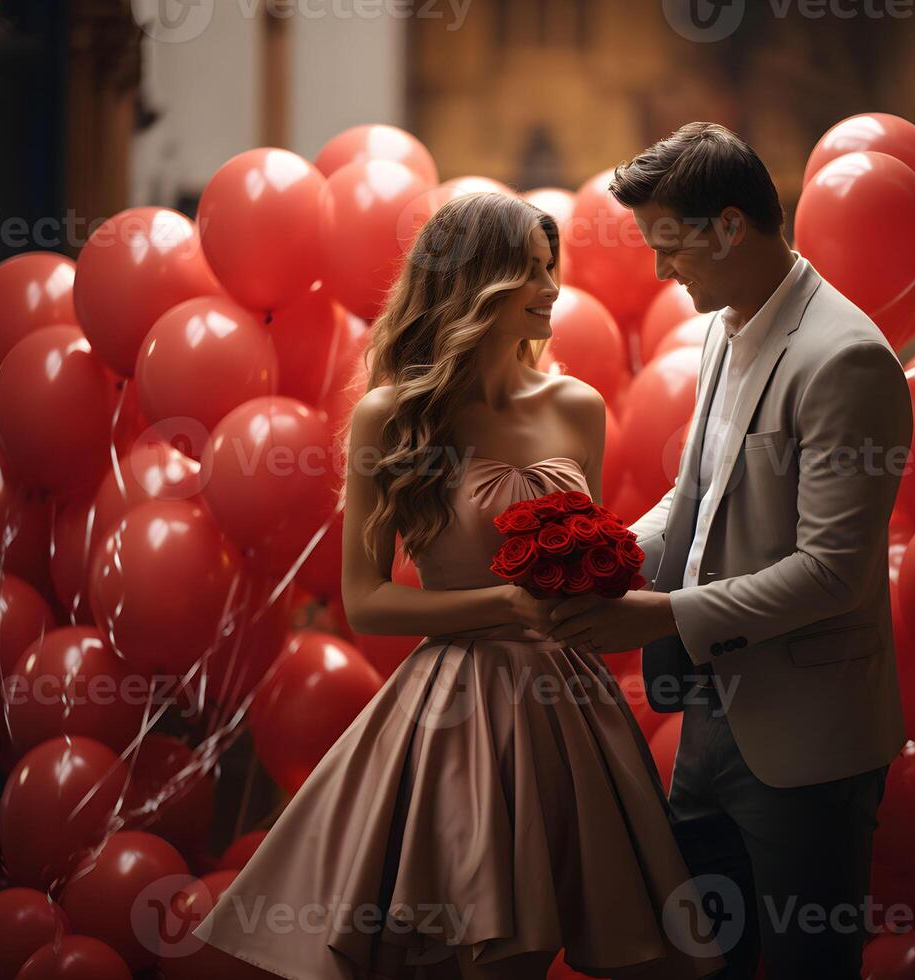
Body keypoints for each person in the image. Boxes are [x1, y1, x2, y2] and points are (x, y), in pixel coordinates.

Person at [199, 191, 723, 980]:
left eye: (554, 271)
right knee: (462, 952)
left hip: (569, 711)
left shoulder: (578, 408)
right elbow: (367, 601)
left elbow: (592, 550)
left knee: (556, 936)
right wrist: (503, 604)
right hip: (453, 711)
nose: (553, 291)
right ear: (480, 283)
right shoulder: (391, 418)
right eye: (536, 274)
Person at [547, 122, 914, 978]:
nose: (659, 272)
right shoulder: (722, 327)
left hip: (808, 747)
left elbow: (833, 573)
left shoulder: (847, 359)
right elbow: (698, 496)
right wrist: (602, 556)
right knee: (699, 962)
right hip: (709, 726)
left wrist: (662, 613)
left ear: (731, 228)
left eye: (671, 247)